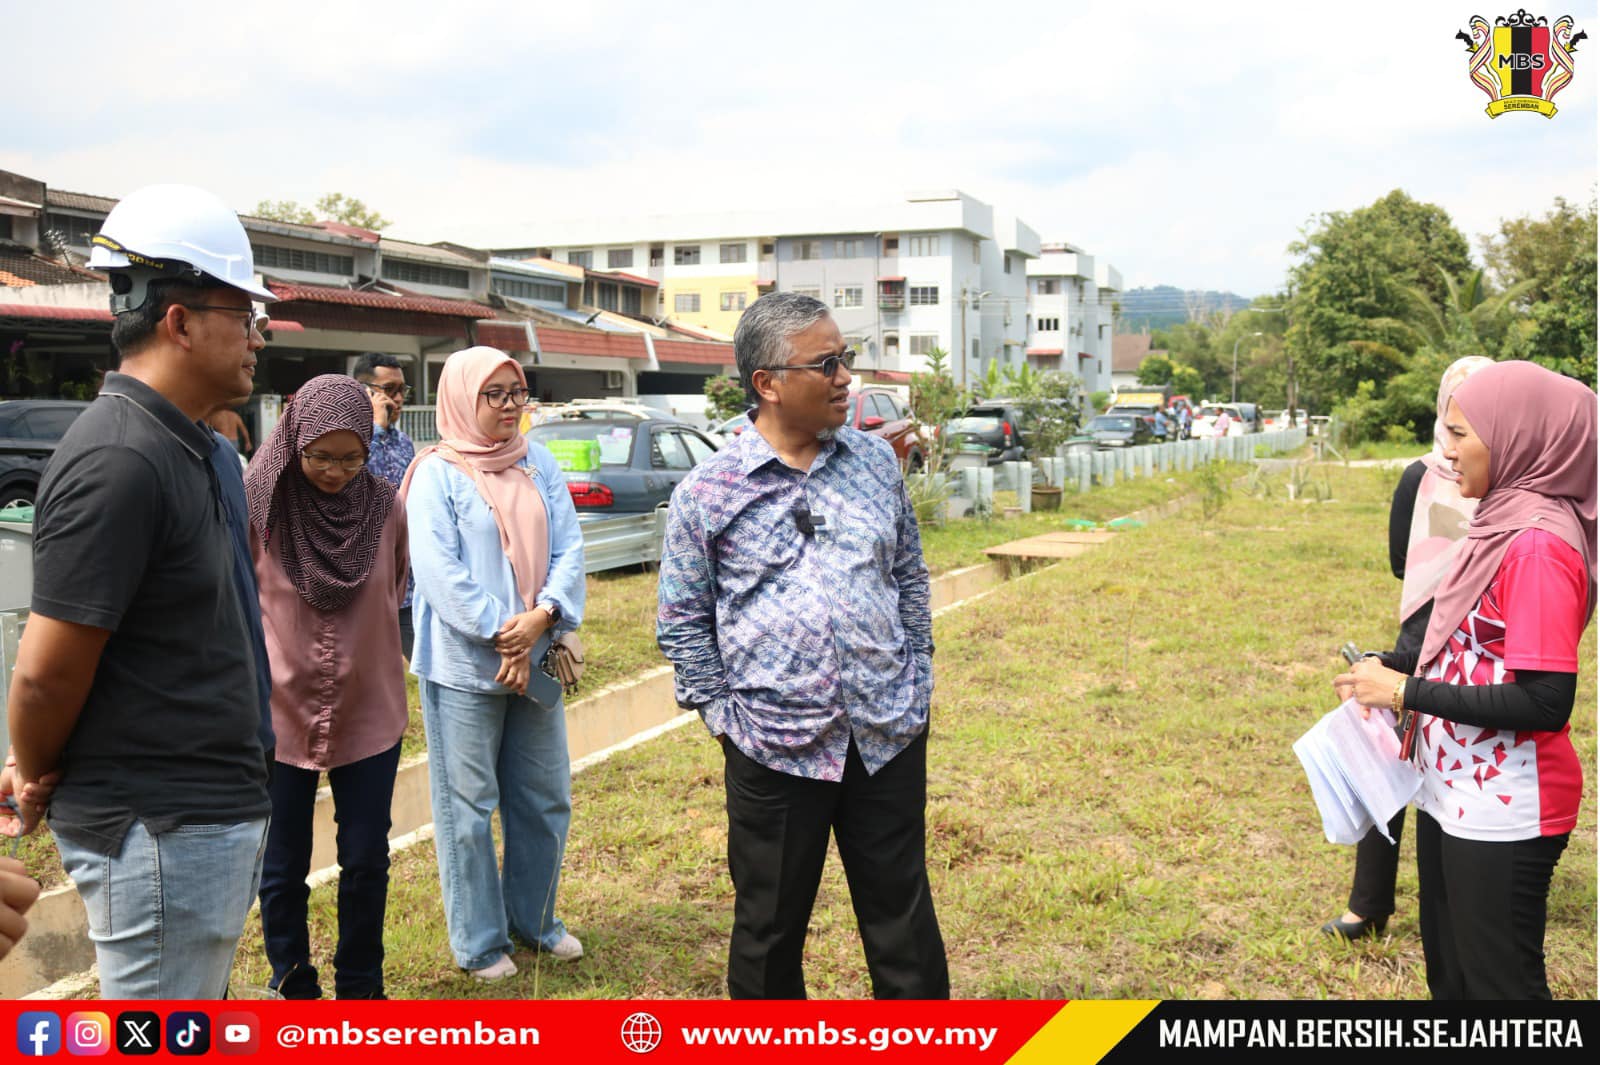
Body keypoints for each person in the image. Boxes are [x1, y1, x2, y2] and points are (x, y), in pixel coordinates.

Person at [0, 183, 274, 998]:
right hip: (159, 829)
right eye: (242, 311)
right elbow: (46, 672)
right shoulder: (120, 459)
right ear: (179, 320)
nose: (258, 334)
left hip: (196, 821)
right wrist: (35, 764)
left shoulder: (190, 446)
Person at [658, 292, 948, 999]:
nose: (847, 375)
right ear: (769, 382)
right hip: (774, 746)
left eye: (846, 357)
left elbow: (908, 573)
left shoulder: (875, 464)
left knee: (902, 921)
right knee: (769, 932)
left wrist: (915, 676)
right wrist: (728, 720)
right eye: (828, 363)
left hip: (886, 732)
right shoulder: (710, 490)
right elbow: (683, 619)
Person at [1335, 359, 1595, 999]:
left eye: (1459, 434)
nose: (1443, 453)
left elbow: (1543, 699)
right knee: (1452, 980)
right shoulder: (1498, 521)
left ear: (1516, 440)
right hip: (1454, 787)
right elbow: (1471, 648)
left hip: (1504, 805)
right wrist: (1390, 667)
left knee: (1501, 992)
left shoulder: (1536, 546)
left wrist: (1402, 694)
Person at [401, 346, 586, 980]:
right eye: (495, 394)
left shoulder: (539, 461)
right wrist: (500, 632)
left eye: (517, 393)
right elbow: (437, 571)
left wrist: (544, 616)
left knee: (544, 797)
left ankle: (535, 921)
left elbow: (568, 547)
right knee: (469, 809)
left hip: (534, 651)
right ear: (462, 397)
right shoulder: (436, 473)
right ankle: (480, 942)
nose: (510, 407)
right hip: (463, 665)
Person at [246, 374, 409, 1000]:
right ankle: (292, 980)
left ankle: (361, 985)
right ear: (294, 443)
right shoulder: (263, 508)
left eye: (351, 457)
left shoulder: (386, 505)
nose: (336, 471)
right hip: (279, 711)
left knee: (367, 857)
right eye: (320, 456)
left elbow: (394, 585)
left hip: (369, 708)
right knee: (282, 863)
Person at [1322, 355, 1493, 941]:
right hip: (1423, 635)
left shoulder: (1522, 485)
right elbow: (1403, 562)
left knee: (1465, 762)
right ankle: (1368, 904)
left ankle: (1465, 894)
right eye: (1454, 421)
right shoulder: (1421, 476)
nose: (1457, 439)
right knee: (1386, 755)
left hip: (1490, 642)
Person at [353, 352, 417, 655]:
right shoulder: (349, 440)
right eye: (390, 389)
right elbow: (355, 486)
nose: (399, 398)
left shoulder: (403, 442)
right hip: (367, 576)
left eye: (402, 390)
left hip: (405, 579)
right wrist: (375, 429)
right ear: (366, 391)